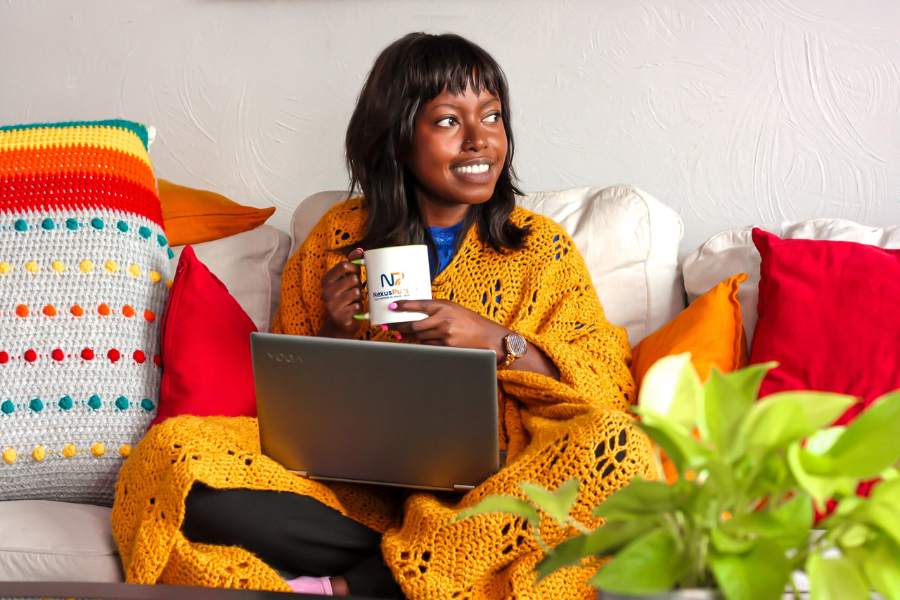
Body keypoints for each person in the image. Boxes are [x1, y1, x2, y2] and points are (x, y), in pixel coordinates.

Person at [111, 32, 655, 599]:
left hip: (495, 488)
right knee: (171, 459)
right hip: (355, 495)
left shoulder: (539, 249)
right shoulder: (337, 238)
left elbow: (607, 389)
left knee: (618, 449)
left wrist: (496, 341)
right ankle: (416, 565)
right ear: (398, 138)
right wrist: (333, 333)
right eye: (449, 121)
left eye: (492, 117)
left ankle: (355, 584)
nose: (480, 141)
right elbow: (287, 417)